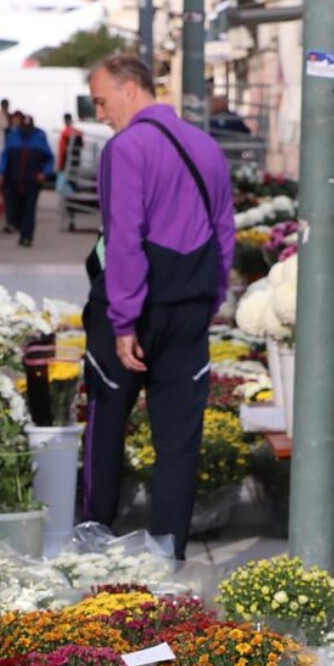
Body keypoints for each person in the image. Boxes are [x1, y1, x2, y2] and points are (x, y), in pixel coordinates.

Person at [81, 52, 235, 560]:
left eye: (102, 102)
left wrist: (124, 321)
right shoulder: (206, 147)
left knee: (105, 426)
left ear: (131, 89)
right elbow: (224, 234)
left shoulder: (126, 148)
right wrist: (209, 300)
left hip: (134, 311)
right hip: (190, 307)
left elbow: (124, 237)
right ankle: (169, 552)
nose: (100, 114)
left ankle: (93, 540)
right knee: (178, 441)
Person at [0, 111, 53, 247]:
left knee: (29, 208)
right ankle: (15, 224)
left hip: (32, 179)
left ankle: (26, 236)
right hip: (13, 178)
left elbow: (49, 158)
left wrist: (44, 173)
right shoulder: (13, 135)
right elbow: (5, 156)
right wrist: (1, 173)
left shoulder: (39, 136)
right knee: (14, 207)